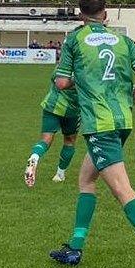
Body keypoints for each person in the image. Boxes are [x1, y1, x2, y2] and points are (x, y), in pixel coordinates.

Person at [48, 0, 135, 268]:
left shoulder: (74, 39)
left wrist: (75, 79)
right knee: (86, 179)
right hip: (122, 119)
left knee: (121, 188)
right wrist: (131, 100)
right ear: (105, 14)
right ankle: (75, 248)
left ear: (81, 15)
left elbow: (61, 81)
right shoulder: (124, 41)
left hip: (99, 124)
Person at [24, 50, 80, 187]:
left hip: (52, 106)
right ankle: (60, 174)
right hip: (72, 111)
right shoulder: (85, 68)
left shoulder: (62, 65)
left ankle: (35, 156)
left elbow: (56, 79)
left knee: (46, 139)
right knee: (69, 140)